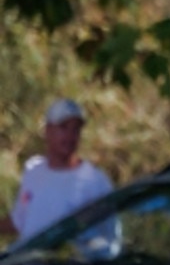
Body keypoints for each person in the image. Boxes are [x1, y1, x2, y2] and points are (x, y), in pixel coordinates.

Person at [2, 99, 115, 246]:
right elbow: (19, 222)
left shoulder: (95, 181)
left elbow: (108, 238)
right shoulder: (33, 171)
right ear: (48, 131)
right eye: (63, 127)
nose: (70, 136)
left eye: (76, 129)